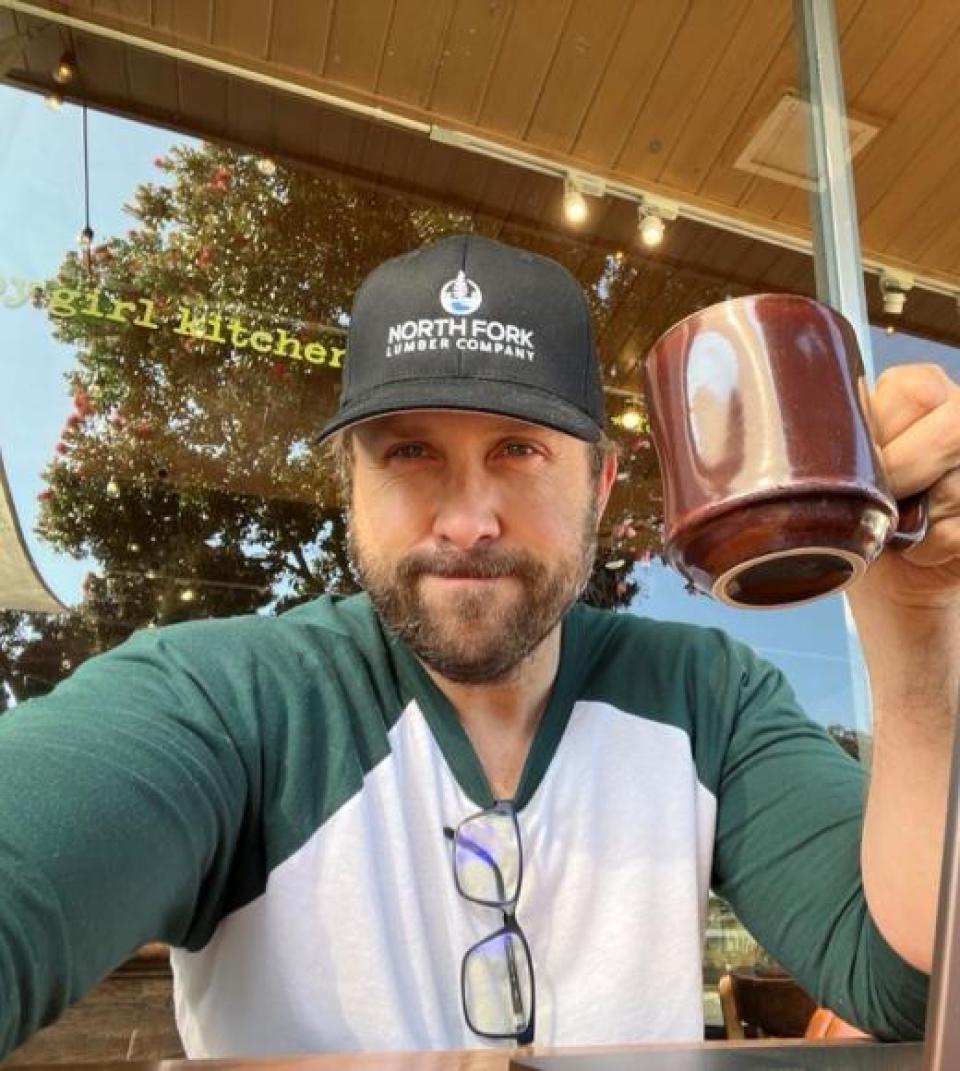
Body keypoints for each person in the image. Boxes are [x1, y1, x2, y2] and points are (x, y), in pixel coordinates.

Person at [0, 234, 956, 1058]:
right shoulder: (229, 701)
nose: (466, 520)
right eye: (409, 451)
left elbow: (908, 977)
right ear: (349, 481)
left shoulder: (708, 694)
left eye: (520, 449)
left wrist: (916, 629)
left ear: (601, 483)